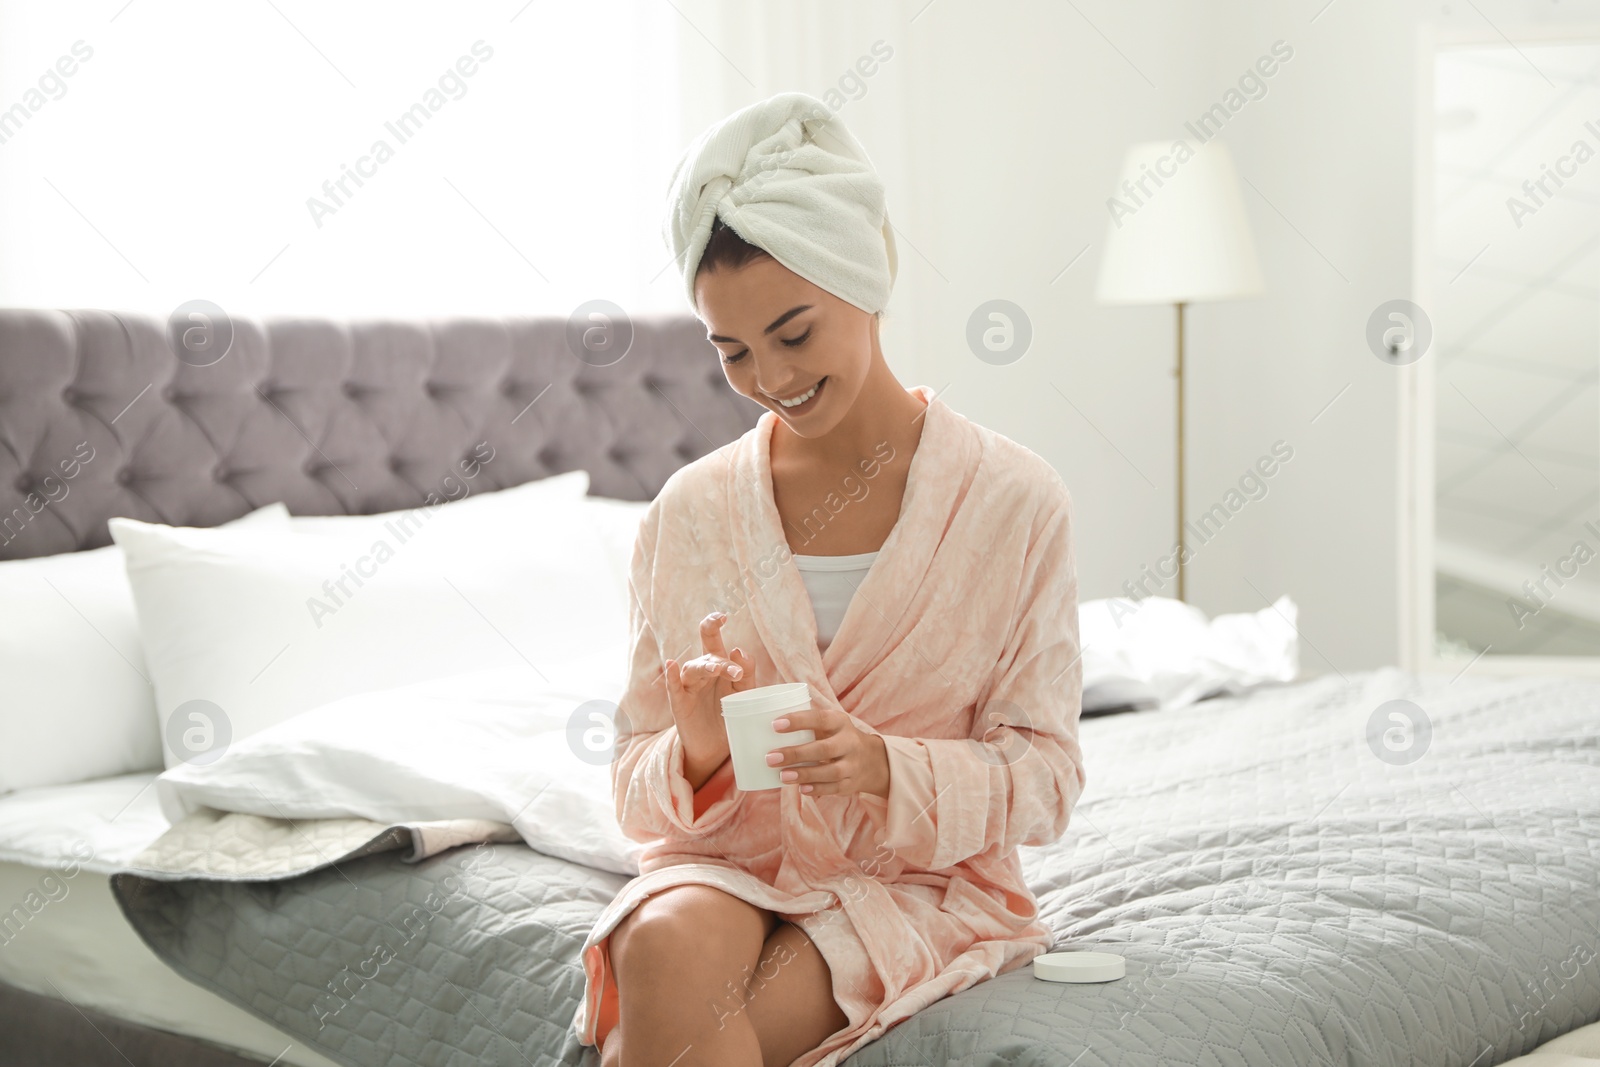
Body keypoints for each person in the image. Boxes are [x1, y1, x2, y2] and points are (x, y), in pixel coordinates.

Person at [572, 90, 1087, 1067]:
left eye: (793, 333)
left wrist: (884, 766)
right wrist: (693, 750)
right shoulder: (688, 513)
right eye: (731, 350)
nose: (768, 375)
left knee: (673, 1032)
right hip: (728, 865)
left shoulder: (1015, 503)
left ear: (864, 279)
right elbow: (634, 790)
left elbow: (1046, 777)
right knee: (660, 939)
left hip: (917, 882)